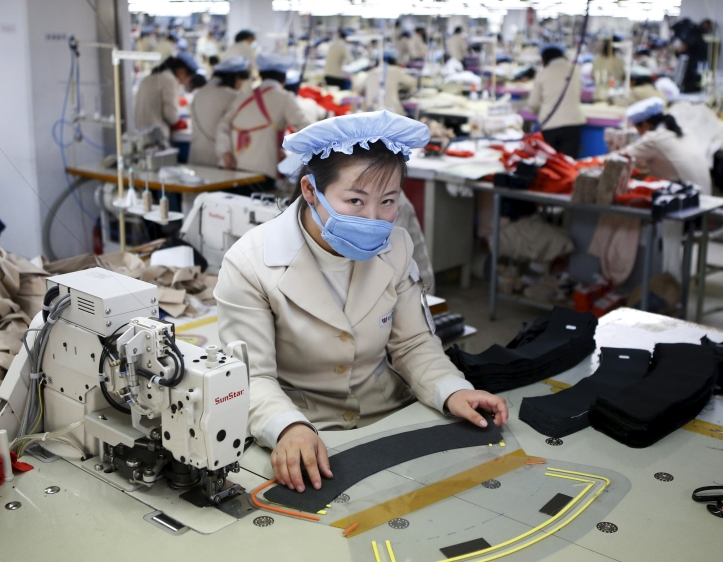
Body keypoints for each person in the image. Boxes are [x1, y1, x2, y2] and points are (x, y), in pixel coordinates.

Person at [214, 111, 509, 492]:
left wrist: (452, 389)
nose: (373, 219)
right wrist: (287, 427)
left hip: (389, 415)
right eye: (355, 200)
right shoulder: (250, 263)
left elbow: (413, 343)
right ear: (309, 190)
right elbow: (252, 377)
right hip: (305, 430)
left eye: (388, 201)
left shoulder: (397, 247)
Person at [216, 53, 312, 179]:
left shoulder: (243, 97)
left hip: (233, 168)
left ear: (261, 76)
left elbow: (223, 125)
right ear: (283, 79)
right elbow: (308, 130)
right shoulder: (284, 98)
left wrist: (225, 151)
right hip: (263, 172)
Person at [617, 97, 712, 193]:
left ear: (645, 124)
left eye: (638, 129)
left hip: (685, 199)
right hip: (703, 195)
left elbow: (620, 158)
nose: (639, 133)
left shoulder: (655, 138)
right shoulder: (685, 132)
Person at [188, 56, 250, 167]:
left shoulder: (199, 93)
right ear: (235, 77)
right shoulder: (234, 96)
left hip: (195, 157)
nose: (241, 84)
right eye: (241, 80)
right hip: (220, 159)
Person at [527, 44, 585, 158]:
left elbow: (533, 103)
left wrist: (536, 110)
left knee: (551, 166)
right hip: (573, 123)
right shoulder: (575, 69)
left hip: (550, 125)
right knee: (569, 165)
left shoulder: (542, 73)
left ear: (544, 59)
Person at [133, 53, 199, 141]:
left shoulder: (149, 78)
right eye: (188, 78)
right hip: (156, 136)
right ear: (182, 71)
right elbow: (171, 116)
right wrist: (184, 124)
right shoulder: (169, 80)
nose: (184, 83)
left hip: (140, 133)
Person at [356, 48, 417, 115]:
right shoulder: (395, 71)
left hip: (371, 112)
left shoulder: (371, 72)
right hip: (392, 112)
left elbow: (360, 91)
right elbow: (411, 83)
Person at [592, 37, 625, 101]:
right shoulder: (619, 61)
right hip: (613, 96)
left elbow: (592, 77)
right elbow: (622, 77)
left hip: (599, 95)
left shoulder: (596, 60)